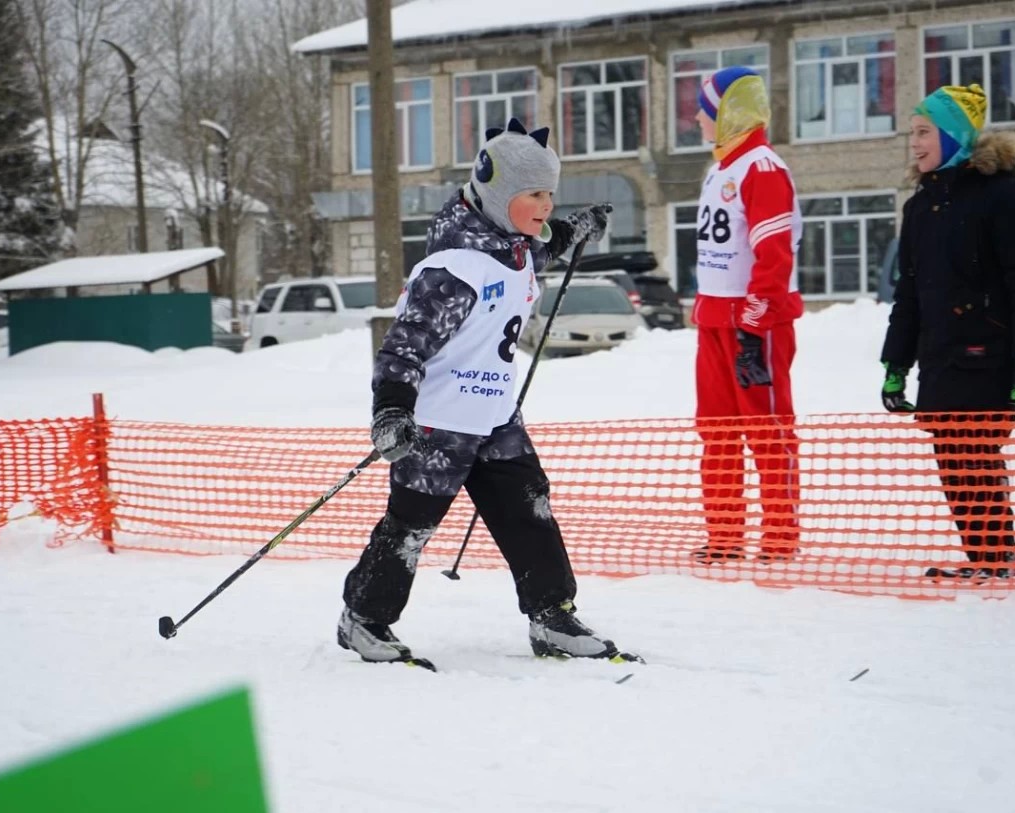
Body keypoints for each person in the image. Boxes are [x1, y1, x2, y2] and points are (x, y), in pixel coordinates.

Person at [337, 118, 635, 666]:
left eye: (550, 194)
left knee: (529, 509)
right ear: (499, 195)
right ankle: (364, 619)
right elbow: (403, 348)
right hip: (438, 425)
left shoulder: (513, 245)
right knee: (412, 525)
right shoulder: (455, 267)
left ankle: (552, 617)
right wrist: (392, 412)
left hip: (496, 417)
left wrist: (575, 229)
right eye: (534, 195)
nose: (545, 205)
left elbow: (540, 252)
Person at [879, 84, 1015, 581]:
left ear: (954, 134)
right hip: (939, 354)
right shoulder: (920, 206)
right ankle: (984, 558)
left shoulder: (1004, 197)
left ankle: (996, 558)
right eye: (911, 133)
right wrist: (896, 363)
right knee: (951, 460)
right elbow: (909, 293)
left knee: (976, 455)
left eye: (923, 132)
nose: (913, 143)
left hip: (988, 351)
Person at [688, 66, 803, 564]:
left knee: (767, 430)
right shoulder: (720, 168)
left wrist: (755, 325)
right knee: (716, 431)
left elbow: (774, 254)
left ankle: (779, 537)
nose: (696, 117)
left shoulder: (762, 167)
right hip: (714, 319)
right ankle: (725, 535)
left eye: (704, 108)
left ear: (728, 112)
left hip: (755, 323)